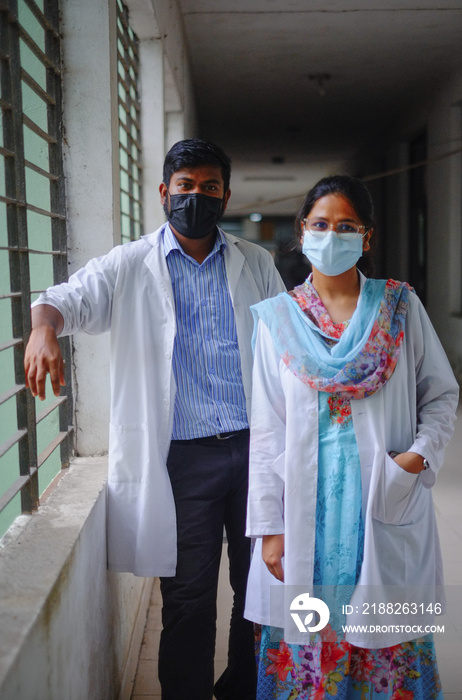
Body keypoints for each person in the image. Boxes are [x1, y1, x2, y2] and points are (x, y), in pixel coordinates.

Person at [24, 138, 285, 700]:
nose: (197, 197)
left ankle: (244, 685)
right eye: (185, 187)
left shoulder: (255, 263)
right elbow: (65, 298)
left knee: (259, 590)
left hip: (255, 451)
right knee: (188, 600)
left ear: (226, 195)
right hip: (182, 462)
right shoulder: (129, 264)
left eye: (209, 188)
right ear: (164, 192)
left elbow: (288, 349)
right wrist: (44, 326)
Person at [244, 175, 459, 699]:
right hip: (305, 515)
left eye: (346, 226)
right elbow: (267, 431)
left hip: (381, 499)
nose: (331, 235)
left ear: (367, 238)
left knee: (387, 647)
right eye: (321, 224)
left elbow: (442, 394)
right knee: (306, 643)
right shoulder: (277, 320)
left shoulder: (399, 308)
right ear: (301, 233)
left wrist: (415, 459)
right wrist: (269, 525)